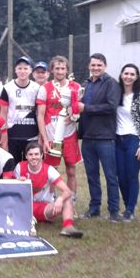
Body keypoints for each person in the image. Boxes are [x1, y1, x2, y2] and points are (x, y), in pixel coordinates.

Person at [78, 53, 122, 222]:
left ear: (105, 66)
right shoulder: (86, 84)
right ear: (89, 66)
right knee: (92, 175)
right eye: (93, 65)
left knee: (111, 176)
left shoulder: (111, 83)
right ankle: (94, 208)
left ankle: (113, 211)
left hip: (105, 138)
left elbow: (111, 107)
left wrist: (86, 108)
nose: (96, 68)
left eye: (99, 65)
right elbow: (80, 107)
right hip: (88, 138)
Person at [36, 55, 81, 203]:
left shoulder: (75, 87)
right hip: (51, 136)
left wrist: (74, 117)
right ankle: (51, 200)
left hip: (69, 135)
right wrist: (44, 138)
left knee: (71, 170)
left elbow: (79, 109)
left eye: (63, 68)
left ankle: (71, 202)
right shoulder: (45, 88)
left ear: (67, 70)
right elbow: (41, 115)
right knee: (51, 171)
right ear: (52, 70)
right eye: (57, 68)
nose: (60, 71)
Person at [14, 142, 83, 238]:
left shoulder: (49, 170)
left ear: (42, 155)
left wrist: (60, 199)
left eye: (36, 154)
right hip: (25, 208)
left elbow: (68, 191)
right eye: (30, 154)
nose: (34, 157)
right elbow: (12, 193)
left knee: (67, 199)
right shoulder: (19, 167)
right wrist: (18, 183)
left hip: (44, 208)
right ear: (26, 156)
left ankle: (68, 227)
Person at [116, 64, 140, 222]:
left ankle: (130, 209)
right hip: (117, 139)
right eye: (126, 73)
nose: (128, 77)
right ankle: (126, 205)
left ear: (136, 77)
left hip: (134, 139)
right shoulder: (116, 94)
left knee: (131, 174)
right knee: (121, 176)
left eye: (132, 74)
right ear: (121, 75)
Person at [0, 56, 40, 162]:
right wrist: (4, 139)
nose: (22, 71)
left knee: (31, 169)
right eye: (20, 68)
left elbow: (40, 114)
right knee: (13, 169)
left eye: (26, 68)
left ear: (31, 70)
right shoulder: (7, 88)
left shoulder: (37, 88)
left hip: (32, 137)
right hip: (13, 137)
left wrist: (40, 136)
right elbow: (3, 115)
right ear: (15, 70)